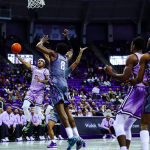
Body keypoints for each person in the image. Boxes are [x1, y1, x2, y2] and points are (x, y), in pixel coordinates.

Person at [36, 30, 86, 149]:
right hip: (64, 84)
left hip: (56, 84)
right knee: (67, 112)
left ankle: (71, 137)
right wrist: (67, 39)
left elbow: (38, 47)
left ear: (57, 50)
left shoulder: (54, 54)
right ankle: (77, 136)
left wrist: (41, 42)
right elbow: (71, 50)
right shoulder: (66, 58)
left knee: (61, 112)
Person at [104, 37, 146, 150]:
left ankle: (123, 149)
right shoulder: (147, 57)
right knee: (127, 126)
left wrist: (110, 73)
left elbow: (124, 78)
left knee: (118, 123)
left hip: (136, 90)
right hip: (146, 93)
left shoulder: (132, 57)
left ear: (133, 45)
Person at [15, 54, 49, 131]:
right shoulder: (34, 68)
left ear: (44, 64)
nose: (39, 62)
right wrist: (17, 56)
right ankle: (28, 121)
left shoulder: (45, 70)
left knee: (37, 111)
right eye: (38, 61)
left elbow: (48, 81)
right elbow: (25, 62)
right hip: (31, 91)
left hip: (40, 92)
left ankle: (43, 119)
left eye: (41, 61)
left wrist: (41, 81)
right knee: (24, 107)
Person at [127, 38, 150, 150]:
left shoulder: (146, 57)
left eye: (149, 41)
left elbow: (139, 79)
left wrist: (132, 81)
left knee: (144, 124)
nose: (148, 42)